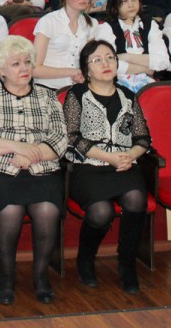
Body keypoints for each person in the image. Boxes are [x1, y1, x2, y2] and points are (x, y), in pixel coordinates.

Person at [0, 35, 67, 305]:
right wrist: (18, 147)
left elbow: (60, 139)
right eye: (15, 64)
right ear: (1, 70)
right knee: (10, 209)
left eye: (27, 62)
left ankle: (41, 277)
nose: (24, 68)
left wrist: (31, 156)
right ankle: (7, 278)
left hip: (42, 168)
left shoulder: (48, 96)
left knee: (47, 209)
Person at [64, 40, 151, 292]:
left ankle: (127, 264)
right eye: (97, 60)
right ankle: (85, 259)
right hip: (88, 166)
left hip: (124, 164)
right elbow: (71, 137)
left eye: (110, 57)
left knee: (136, 199)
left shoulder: (128, 97)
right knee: (101, 212)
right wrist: (108, 157)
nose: (106, 63)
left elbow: (143, 138)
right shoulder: (77, 95)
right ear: (87, 69)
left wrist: (130, 155)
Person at [32, 0, 115, 89]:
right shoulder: (48, 21)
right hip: (47, 87)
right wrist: (73, 72)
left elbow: (88, 60)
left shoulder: (91, 23)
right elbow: (34, 69)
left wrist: (82, 74)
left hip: (77, 86)